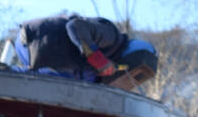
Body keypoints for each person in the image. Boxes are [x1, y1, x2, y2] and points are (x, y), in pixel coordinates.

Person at [12, 14, 157, 86]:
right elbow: (75, 26)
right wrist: (98, 59)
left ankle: (6, 71)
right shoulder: (111, 37)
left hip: (41, 54)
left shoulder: (95, 75)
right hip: (35, 39)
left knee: (66, 84)